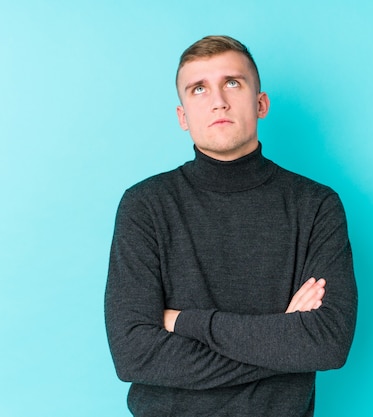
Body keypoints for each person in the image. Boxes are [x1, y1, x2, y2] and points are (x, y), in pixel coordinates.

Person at [105, 35, 357, 417]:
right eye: (199, 88)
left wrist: (184, 322)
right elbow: (133, 355)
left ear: (261, 104)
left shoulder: (316, 205)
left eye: (232, 83)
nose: (218, 100)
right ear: (182, 116)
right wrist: (283, 342)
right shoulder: (145, 205)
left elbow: (327, 344)